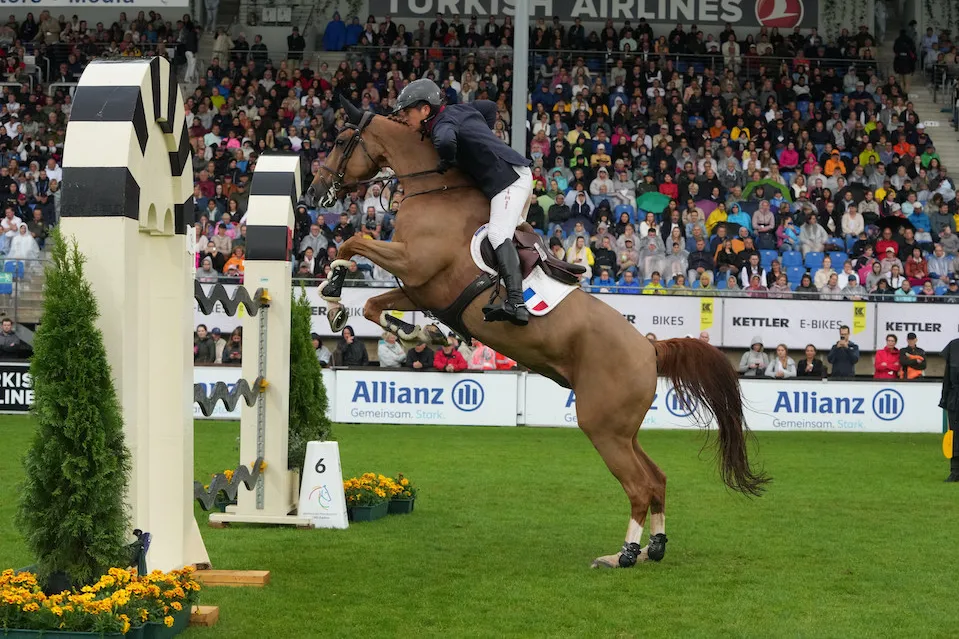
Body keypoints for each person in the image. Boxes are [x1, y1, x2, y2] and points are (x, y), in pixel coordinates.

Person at [392, 78, 533, 325]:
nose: (404, 117)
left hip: (509, 180)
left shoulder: (441, 125)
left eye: (408, 111)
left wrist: (448, 160)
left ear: (426, 109)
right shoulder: (459, 109)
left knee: (499, 236)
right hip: (508, 176)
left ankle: (517, 303)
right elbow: (489, 107)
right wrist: (480, 141)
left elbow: (446, 142)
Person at [940, 336, 959, 481]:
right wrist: (944, 398)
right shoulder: (953, 346)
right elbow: (947, 377)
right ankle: (955, 471)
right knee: (954, 435)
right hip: (955, 397)